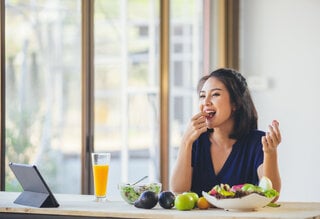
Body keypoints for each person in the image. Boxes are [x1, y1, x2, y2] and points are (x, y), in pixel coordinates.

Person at [170, 68, 281, 199]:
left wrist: (270, 153)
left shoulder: (257, 142)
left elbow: (271, 196)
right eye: (202, 96)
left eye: (215, 94)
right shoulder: (196, 141)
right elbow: (178, 191)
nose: (205, 102)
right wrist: (185, 142)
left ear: (235, 103)